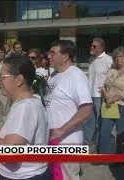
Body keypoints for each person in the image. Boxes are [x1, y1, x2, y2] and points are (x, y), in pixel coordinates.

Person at [0, 55, 51, 180]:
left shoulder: (25, 107)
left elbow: (9, 155)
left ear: (19, 80)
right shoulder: (31, 101)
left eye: (2, 77)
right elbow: (22, 136)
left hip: (23, 176)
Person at [45, 40, 93, 180]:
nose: (49, 56)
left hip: (67, 142)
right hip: (50, 142)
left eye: (53, 53)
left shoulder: (76, 76)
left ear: (65, 56)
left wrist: (61, 130)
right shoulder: (53, 76)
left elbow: (86, 109)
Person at [98, 47, 124, 166]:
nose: (118, 59)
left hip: (123, 107)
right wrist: (105, 93)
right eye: (116, 57)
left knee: (121, 134)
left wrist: (112, 98)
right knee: (104, 131)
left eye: (121, 56)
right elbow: (104, 84)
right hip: (109, 106)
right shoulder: (112, 69)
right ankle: (102, 157)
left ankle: (119, 160)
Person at [83, 37, 113, 149]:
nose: (91, 47)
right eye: (91, 45)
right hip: (90, 95)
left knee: (100, 121)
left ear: (101, 48)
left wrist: (106, 90)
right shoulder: (92, 60)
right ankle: (86, 143)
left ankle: (98, 144)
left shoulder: (108, 59)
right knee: (89, 121)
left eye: (94, 46)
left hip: (100, 96)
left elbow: (114, 76)